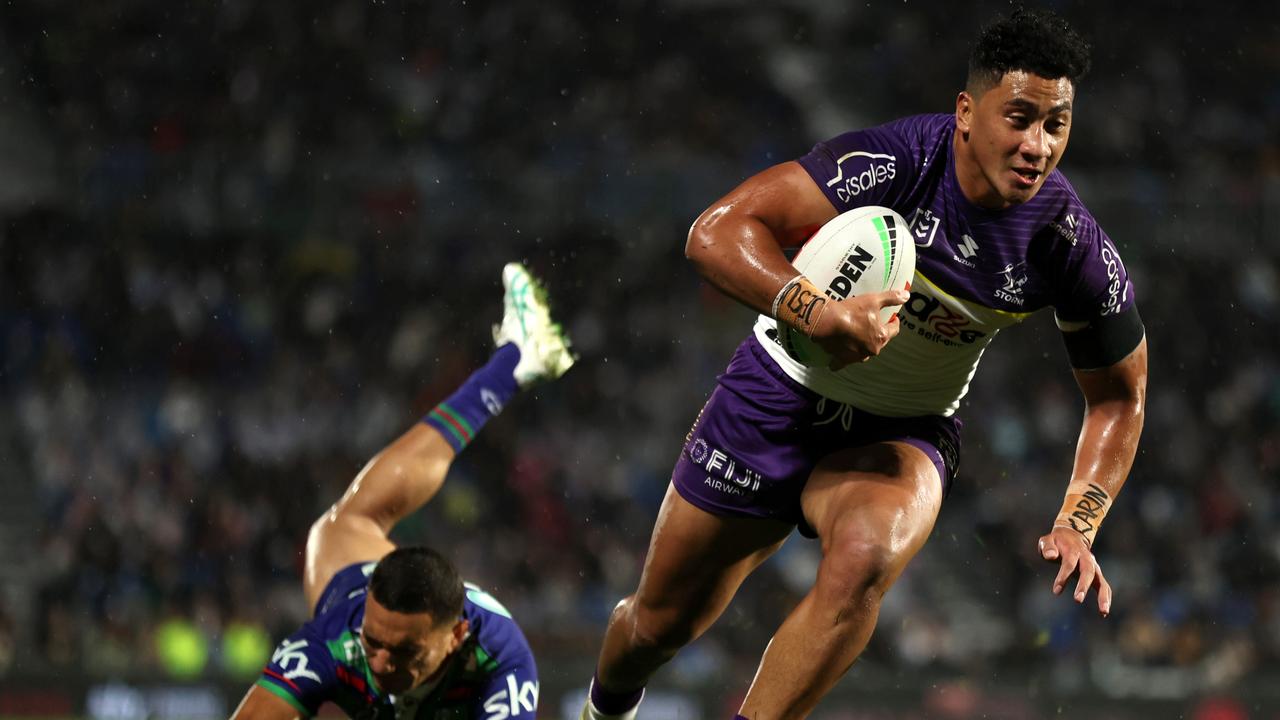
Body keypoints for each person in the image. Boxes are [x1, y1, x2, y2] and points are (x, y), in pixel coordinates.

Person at [581, 6, 1147, 720]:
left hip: (902, 431)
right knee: (656, 627)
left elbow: (1120, 398)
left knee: (865, 560)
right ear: (967, 112)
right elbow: (714, 233)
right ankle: (602, 710)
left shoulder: (1069, 244)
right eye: (1020, 117)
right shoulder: (900, 161)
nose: (1037, 145)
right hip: (779, 395)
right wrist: (813, 311)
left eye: (1055, 125)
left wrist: (1081, 517)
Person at [232, 262, 575, 720]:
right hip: (349, 578)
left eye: (404, 653)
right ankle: (514, 362)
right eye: (372, 642)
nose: (379, 666)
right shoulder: (333, 640)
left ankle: (517, 358)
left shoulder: (501, 664)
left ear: (454, 638)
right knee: (343, 524)